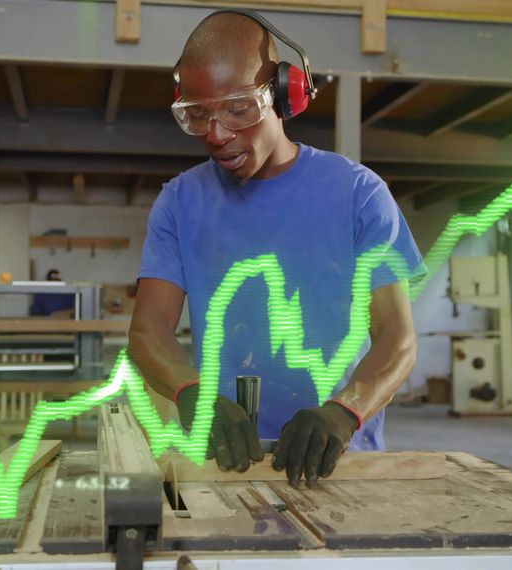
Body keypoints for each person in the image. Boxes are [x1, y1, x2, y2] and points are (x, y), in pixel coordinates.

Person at [128, 10, 425, 485]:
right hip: (226, 463)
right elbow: (147, 330)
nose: (216, 134)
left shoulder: (358, 194)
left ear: (285, 93)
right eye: (198, 115)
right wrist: (192, 392)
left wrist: (343, 414)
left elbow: (398, 337)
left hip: (340, 462)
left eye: (237, 109)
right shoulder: (180, 202)